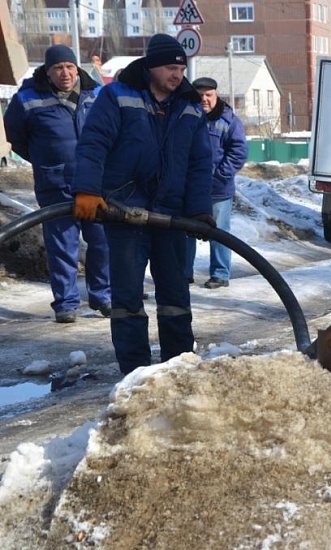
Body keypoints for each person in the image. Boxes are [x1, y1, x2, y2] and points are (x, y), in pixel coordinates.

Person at [71, 34, 215, 374]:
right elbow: (93, 144)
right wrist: (88, 190)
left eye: (181, 67)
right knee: (127, 299)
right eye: (169, 67)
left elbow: (199, 163)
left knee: (176, 296)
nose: (177, 74)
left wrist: (199, 210)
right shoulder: (117, 96)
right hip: (124, 211)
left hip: (171, 215)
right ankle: (134, 372)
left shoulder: (190, 106)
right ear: (151, 66)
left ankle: (179, 367)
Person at [3, 44, 111, 324]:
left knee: (102, 242)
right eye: (58, 68)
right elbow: (17, 138)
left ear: (78, 69)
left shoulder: (97, 95)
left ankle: (102, 295)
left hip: (95, 183)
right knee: (63, 246)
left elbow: (111, 132)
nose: (65, 73)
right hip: (56, 185)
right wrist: (44, 160)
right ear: (47, 72)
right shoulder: (27, 99)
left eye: (70, 67)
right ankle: (66, 303)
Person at [184, 76, 248, 289]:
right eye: (200, 95)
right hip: (188, 188)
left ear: (216, 95)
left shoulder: (229, 120)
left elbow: (238, 152)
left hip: (217, 190)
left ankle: (220, 274)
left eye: (208, 95)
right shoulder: (185, 116)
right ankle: (184, 273)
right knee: (185, 231)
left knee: (219, 232)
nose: (204, 99)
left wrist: (219, 176)